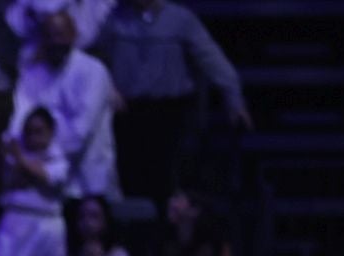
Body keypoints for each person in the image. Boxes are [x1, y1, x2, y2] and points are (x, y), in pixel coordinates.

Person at [94, 0, 249, 204]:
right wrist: (109, 89)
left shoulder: (181, 19)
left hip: (171, 115)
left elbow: (214, 61)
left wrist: (234, 101)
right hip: (129, 115)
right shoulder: (115, 20)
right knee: (130, 183)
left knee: (168, 185)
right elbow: (96, 59)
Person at [7, 11, 117, 199]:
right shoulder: (32, 73)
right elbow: (19, 123)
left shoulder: (93, 71)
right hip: (39, 179)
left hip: (85, 177)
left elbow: (80, 133)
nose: (55, 42)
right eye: (49, 36)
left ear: (73, 36)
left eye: (60, 35)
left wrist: (38, 150)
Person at [0, 106, 67, 256]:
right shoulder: (13, 157)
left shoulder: (59, 160)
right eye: (28, 131)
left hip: (46, 226)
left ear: (51, 132)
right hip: (14, 221)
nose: (33, 137)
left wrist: (19, 158)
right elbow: (2, 185)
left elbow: (44, 177)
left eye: (39, 131)